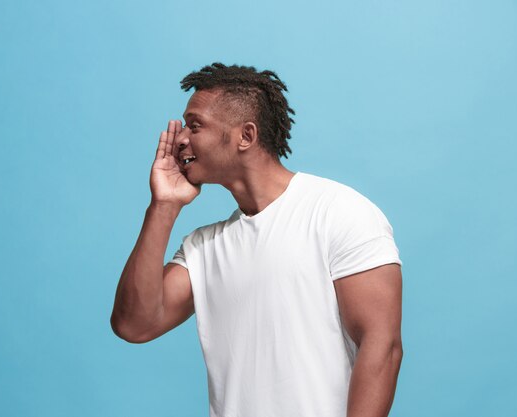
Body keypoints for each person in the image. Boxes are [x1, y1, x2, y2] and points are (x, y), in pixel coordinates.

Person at [110, 62, 403, 417]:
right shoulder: (203, 247)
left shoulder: (339, 211)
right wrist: (164, 206)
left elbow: (382, 346)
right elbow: (134, 325)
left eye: (195, 124)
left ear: (245, 136)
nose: (181, 137)